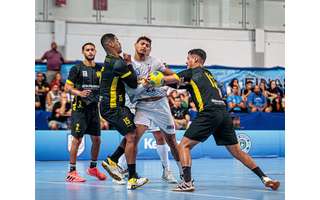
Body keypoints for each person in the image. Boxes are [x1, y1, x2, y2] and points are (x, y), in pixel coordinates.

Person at [162, 48, 280, 192]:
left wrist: (152, 77)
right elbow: (178, 84)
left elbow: (167, 80)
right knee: (237, 151)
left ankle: (187, 182)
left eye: (188, 59)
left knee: (183, 146)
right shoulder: (208, 74)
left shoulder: (191, 72)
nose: (186, 62)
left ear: (195, 60)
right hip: (223, 113)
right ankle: (265, 178)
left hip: (209, 112)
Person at [109, 36, 183, 185]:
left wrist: (164, 79)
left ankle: (182, 173)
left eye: (148, 45)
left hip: (160, 105)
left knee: (171, 141)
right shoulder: (128, 64)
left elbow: (174, 76)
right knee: (133, 138)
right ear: (135, 45)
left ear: (150, 49)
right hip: (142, 106)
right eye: (142, 44)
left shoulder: (155, 62)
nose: (144, 47)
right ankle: (125, 170)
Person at [99, 33, 148, 190]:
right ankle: (132, 178)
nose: (120, 43)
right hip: (113, 107)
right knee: (132, 135)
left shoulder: (109, 60)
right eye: (118, 41)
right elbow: (133, 84)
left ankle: (113, 160)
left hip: (116, 106)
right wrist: (129, 63)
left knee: (131, 134)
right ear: (112, 44)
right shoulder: (118, 63)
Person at [64, 42, 106, 182]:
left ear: (95, 51)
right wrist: (79, 93)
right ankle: (72, 171)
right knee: (77, 139)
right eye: (87, 50)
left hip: (94, 109)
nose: (90, 52)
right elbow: (67, 87)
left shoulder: (100, 69)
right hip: (79, 109)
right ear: (83, 52)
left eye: (92, 49)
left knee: (97, 140)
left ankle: (93, 168)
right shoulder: (76, 68)